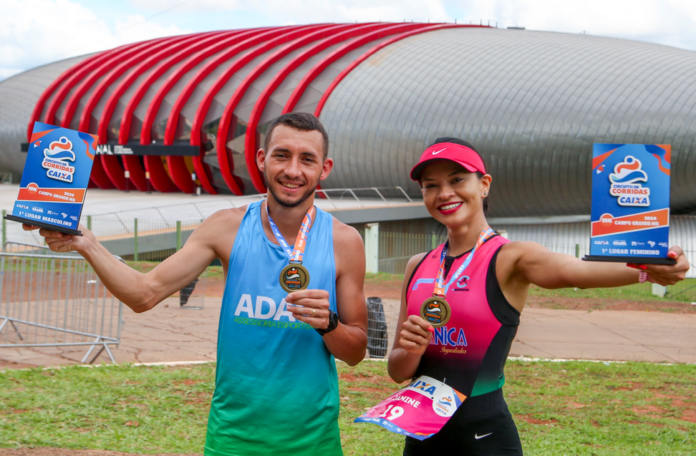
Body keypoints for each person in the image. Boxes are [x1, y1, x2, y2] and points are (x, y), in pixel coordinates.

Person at [26, 113, 368, 456]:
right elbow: (144, 294)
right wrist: (87, 243)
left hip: (313, 443)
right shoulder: (225, 228)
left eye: (307, 159)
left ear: (324, 168)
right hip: (232, 440)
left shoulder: (344, 241)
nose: (293, 170)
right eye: (282, 155)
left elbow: (355, 352)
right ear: (262, 160)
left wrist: (329, 324)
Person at [387, 137, 689, 455]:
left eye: (457, 179)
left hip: (485, 438)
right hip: (421, 438)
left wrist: (651, 267)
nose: (444, 193)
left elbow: (577, 273)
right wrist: (411, 350)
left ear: (484, 184)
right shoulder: (417, 266)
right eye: (430, 185)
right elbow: (397, 372)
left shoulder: (511, 257)